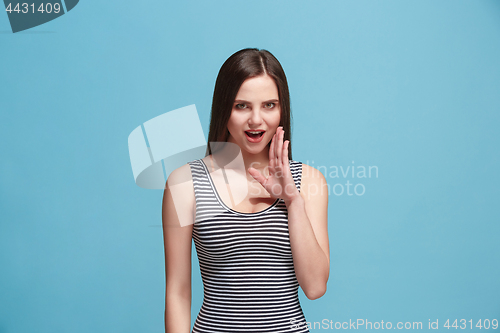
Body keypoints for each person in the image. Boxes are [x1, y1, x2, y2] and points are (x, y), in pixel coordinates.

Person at [162, 48, 330, 332]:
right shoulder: (185, 183)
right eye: (242, 106)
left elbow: (314, 287)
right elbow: (177, 293)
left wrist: (293, 201)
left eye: (269, 105)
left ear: (282, 110)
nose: (256, 120)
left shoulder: (310, 181)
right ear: (223, 107)